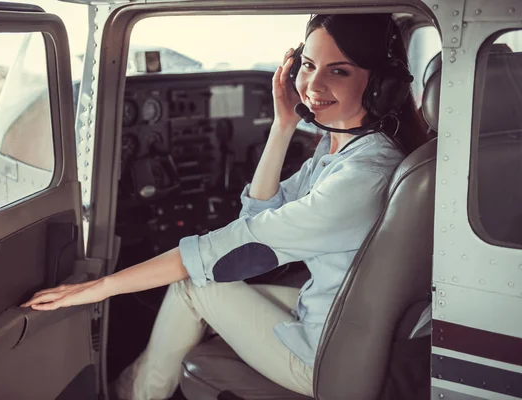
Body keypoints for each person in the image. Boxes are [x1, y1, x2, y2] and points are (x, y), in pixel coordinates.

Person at [22, 13, 427, 399]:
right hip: (338, 313)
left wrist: (97, 288)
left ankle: (128, 396)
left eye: (339, 70)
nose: (313, 86)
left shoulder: (361, 176)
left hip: (328, 355)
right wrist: (282, 125)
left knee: (191, 283)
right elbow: (257, 218)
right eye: (307, 65)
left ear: (380, 85)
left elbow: (230, 246)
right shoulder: (349, 147)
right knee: (198, 280)